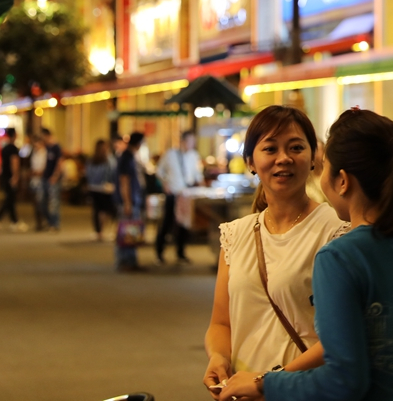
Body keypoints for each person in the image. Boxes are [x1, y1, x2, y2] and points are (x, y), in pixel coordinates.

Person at [219, 108, 393, 401]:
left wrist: (265, 384)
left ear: (342, 180)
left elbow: (344, 379)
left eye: (324, 165)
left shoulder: (341, 256)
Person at [203, 106, 348, 396]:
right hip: (243, 391)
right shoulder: (235, 234)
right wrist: (218, 358)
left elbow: (341, 336)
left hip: (304, 391)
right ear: (250, 161)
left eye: (296, 147)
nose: (284, 158)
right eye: (270, 149)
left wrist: (266, 383)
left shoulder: (336, 232)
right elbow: (221, 323)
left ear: (313, 158)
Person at [156, 130, 202, 264]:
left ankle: (180, 253)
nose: (192, 144)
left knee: (184, 224)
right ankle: (159, 253)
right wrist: (165, 184)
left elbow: (197, 174)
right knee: (167, 223)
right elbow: (159, 171)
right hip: (173, 193)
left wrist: (200, 184)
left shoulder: (194, 156)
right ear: (183, 141)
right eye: (190, 141)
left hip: (186, 194)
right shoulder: (170, 154)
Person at [115, 132, 146, 271]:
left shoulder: (131, 156)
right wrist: (127, 202)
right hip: (130, 199)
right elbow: (124, 181)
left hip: (134, 198)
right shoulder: (126, 157)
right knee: (127, 229)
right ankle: (125, 260)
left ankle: (131, 260)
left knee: (132, 230)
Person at [0, 128, 26, 232]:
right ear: (14, 135)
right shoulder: (13, 149)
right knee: (9, 199)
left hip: (4, 176)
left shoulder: (4, 148)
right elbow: (14, 162)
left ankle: (14, 222)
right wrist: (15, 176)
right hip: (10, 177)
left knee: (10, 200)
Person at [86, 139, 117, 242]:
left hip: (93, 187)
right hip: (105, 187)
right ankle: (106, 230)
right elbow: (113, 172)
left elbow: (88, 173)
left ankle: (99, 232)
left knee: (97, 210)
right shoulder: (109, 159)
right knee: (107, 210)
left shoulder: (92, 159)